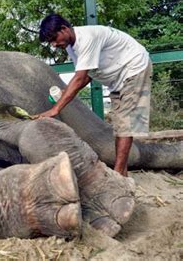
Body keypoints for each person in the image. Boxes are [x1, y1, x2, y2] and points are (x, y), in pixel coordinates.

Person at [35, 13, 152, 177]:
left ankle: (118, 175)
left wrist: (56, 109)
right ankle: (122, 172)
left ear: (64, 28)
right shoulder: (71, 46)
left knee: (126, 123)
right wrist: (65, 94)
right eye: (51, 42)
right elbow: (87, 74)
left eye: (54, 38)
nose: (54, 44)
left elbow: (80, 77)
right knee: (120, 124)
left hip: (134, 68)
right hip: (118, 78)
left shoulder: (87, 38)